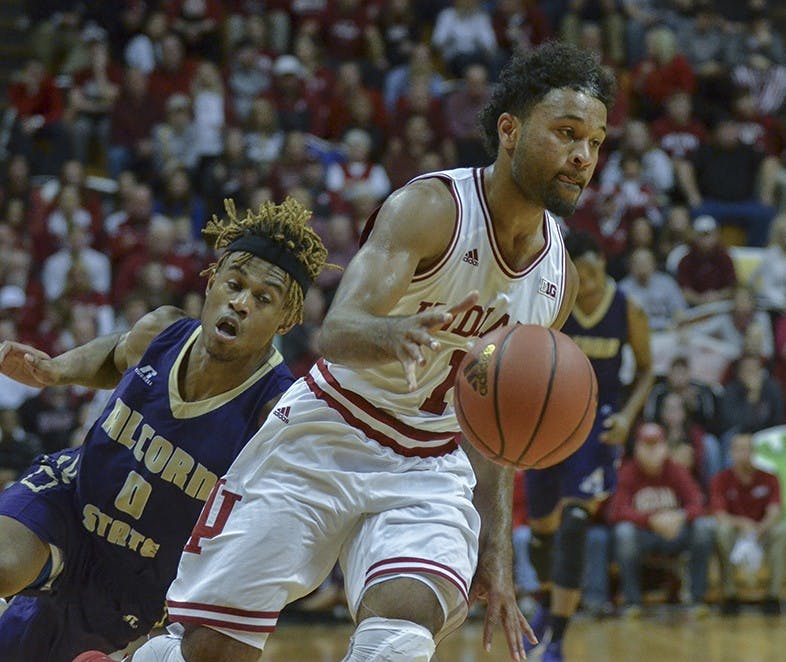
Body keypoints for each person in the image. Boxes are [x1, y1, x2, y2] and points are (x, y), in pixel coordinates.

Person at [127, 42, 616, 662]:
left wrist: (498, 553)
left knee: (399, 637)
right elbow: (333, 331)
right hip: (330, 430)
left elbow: (500, 436)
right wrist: (396, 334)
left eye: (595, 142)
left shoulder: (558, 278)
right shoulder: (433, 208)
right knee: (209, 650)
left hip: (427, 466)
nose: (582, 156)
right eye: (567, 133)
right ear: (510, 131)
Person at [0, 197, 330, 661]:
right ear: (211, 282)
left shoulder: (275, 409)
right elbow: (117, 356)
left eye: (263, 298)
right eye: (234, 284)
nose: (240, 302)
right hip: (70, 500)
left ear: (287, 319)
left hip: (135, 582)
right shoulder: (162, 329)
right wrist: (56, 369)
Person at [524, 230, 654, 660]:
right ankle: (546, 603)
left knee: (576, 522)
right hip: (551, 421)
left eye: (596, 270)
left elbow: (648, 370)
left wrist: (629, 417)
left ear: (602, 260)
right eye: (583, 274)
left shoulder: (627, 308)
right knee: (541, 530)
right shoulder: (554, 302)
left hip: (597, 425)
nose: (591, 282)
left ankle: (558, 636)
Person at [605, 422, 714, 618]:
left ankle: (697, 600)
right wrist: (651, 520)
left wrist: (679, 517)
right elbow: (616, 511)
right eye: (647, 445)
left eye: (656, 444)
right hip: (644, 535)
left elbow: (698, 504)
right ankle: (632, 603)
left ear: (665, 446)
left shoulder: (675, 469)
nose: (652, 451)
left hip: (674, 533)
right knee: (624, 533)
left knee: (703, 528)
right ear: (637, 447)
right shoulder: (628, 472)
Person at [710, 433, 786, 616]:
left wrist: (760, 528)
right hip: (736, 533)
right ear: (731, 453)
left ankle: (773, 596)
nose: (744, 454)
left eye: (748, 449)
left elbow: (775, 511)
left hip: (762, 531)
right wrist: (742, 524)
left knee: (783, 531)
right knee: (721, 531)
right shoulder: (720, 480)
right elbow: (719, 515)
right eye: (739, 449)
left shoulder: (769, 478)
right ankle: (730, 594)